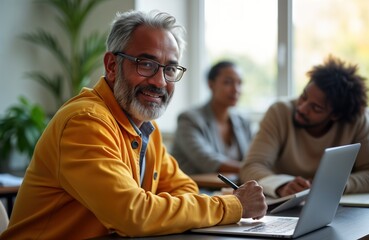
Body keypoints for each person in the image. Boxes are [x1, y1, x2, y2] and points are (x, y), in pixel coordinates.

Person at [1, 10, 267, 239]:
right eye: (146, 64)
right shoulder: (85, 122)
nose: (160, 81)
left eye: (170, 69)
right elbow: (134, 214)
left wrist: (162, 210)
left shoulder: (145, 127)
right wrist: (231, 205)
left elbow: (184, 189)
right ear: (112, 65)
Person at [240, 55, 369, 198]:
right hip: (284, 205)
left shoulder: (357, 121)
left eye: (316, 108)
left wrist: (338, 184)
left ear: (336, 115)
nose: (302, 108)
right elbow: (251, 166)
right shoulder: (279, 112)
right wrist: (281, 185)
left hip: (337, 205)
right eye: (304, 96)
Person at [171, 61, 253, 175]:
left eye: (239, 83)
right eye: (228, 82)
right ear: (211, 85)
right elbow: (207, 161)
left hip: (232, 188)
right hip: (197, 189)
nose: (236, 89)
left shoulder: (243, 122)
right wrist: (253, 169)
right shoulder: (189, 119)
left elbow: (254, 158)